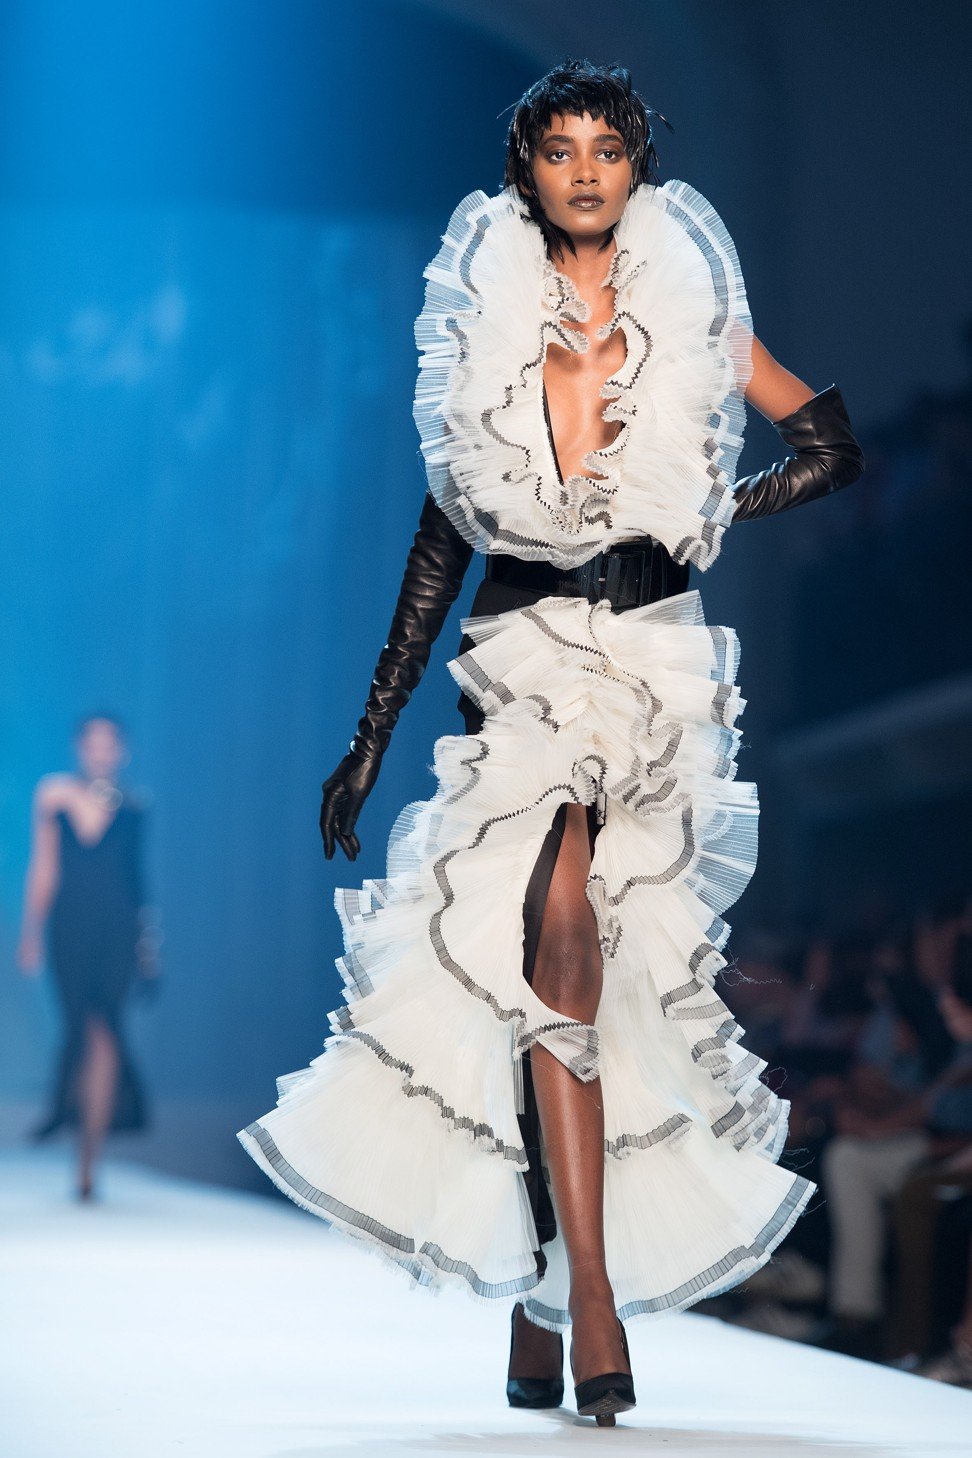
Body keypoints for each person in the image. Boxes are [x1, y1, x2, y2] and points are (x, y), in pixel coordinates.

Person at [237, 59, 864, 1425]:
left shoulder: (689, 300)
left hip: (652, 656)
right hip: (521, 655)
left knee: (587, 978)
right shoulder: (490, 307)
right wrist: (370, 728)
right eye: (561, 147)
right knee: (557, 926)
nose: (586, 168)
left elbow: (829, 439)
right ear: (524, 166)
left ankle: (538, 1295)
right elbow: (444, 530)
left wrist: (704, 505)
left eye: (610, 146)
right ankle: (585, 1296)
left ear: (641, 162)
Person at [17, 713, 159, 1200]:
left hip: (117, 931)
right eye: (92, 743)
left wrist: (148, 946)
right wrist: (30, 932)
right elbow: (44, 866)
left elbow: (138, 883)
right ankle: (76, 1133)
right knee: (79, 1028)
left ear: (122, 751)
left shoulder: (137, 806)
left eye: (110, 744)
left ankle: (88, 1158)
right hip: (70, 929)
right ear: (80, 748)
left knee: (106, 1030)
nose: (101, 752)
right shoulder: (54, 794)